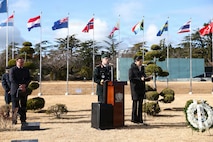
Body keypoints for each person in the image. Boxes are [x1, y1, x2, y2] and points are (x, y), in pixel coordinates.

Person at [129, 55, 150, 124]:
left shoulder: (142, 68)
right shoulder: (132, 69)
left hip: (142, 88)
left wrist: (147, 78)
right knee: (135, 103)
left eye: (141, 61)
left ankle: (140, 118)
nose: (141, 62)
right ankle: (134, 118)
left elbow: (144, 76)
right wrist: (139, 79)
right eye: (139, 61)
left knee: (140, 103)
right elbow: (131, 78)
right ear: (136, 61)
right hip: (135, 88)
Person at [9, 57, 31, 125]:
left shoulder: (26, 70)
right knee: (15, 106)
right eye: (20, 62)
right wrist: (19, 85)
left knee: (23, 106)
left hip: (24, 90)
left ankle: (23, 120)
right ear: (17, 62)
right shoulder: (12, 70)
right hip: (15, 90)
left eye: (22, 62)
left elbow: (29, 78)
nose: (21, 63)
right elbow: (12, 79)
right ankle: (14, 120)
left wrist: (24, 85)